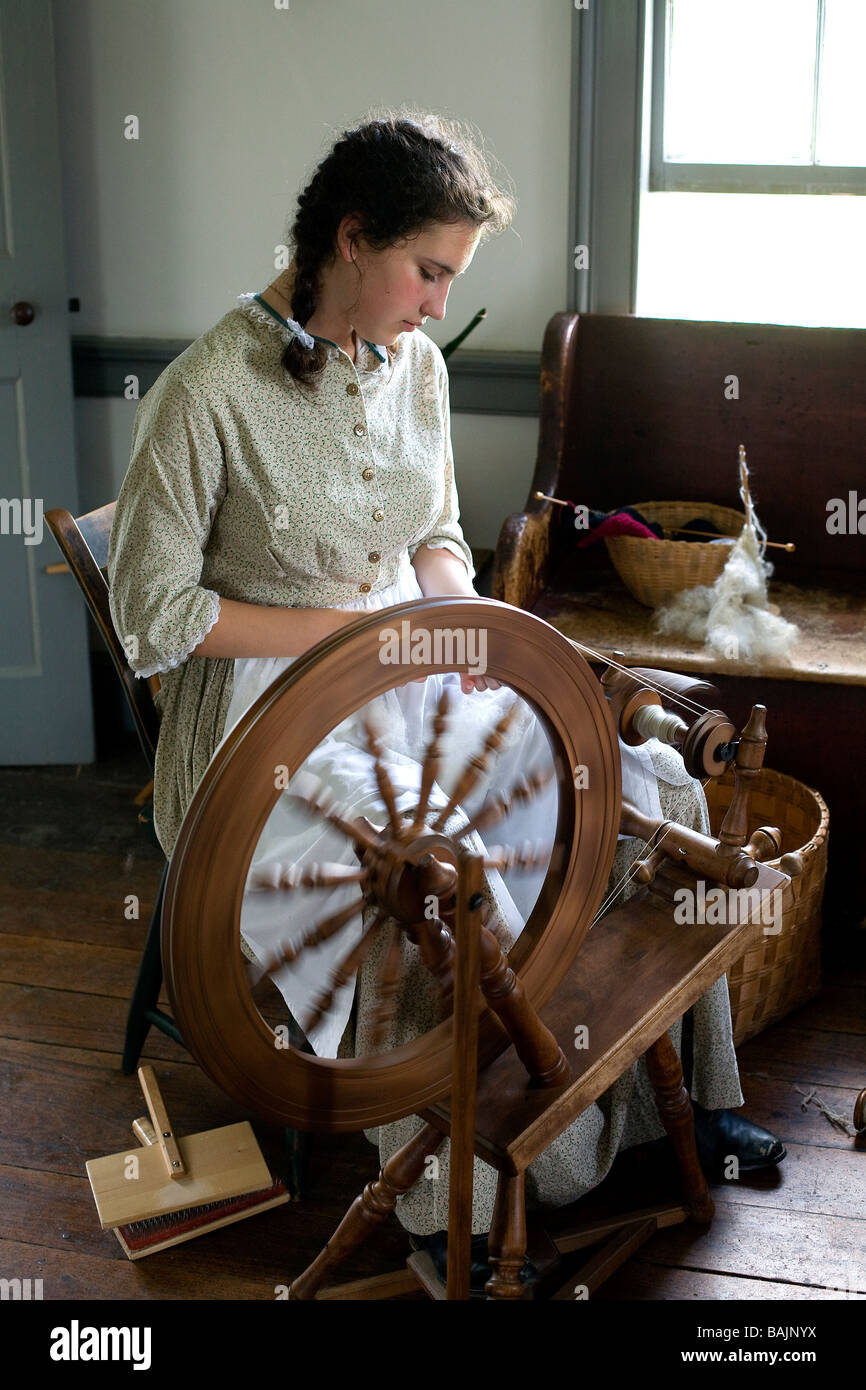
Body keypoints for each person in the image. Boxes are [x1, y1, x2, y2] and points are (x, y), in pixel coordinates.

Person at [107, 109, 784, 1283]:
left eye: (449, 280)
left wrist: (461, 618)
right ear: (350, 240)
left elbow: (431, 528)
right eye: (427, 273)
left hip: (411, 661)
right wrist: (356, 636)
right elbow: (154, 618)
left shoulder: (412, 363)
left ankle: (689, 1096)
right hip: (261, 718)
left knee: (639, 774)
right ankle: (448, 1184)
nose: (435, 304)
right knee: (425, 871)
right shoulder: (203, 390)